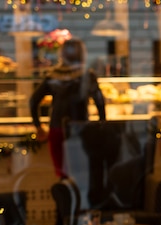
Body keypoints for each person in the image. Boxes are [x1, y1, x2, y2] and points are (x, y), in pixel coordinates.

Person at [29, 38, 106, 178]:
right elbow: (100, 102)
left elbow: (33, 101)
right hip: (81, 129)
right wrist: (102, 126)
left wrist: (38, 126)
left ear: (62, 54)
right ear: (83, 54)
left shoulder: (52, 76)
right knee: (82, 175)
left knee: (63, 176)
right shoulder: (88, 75)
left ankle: (65, 199)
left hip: (57, 129)